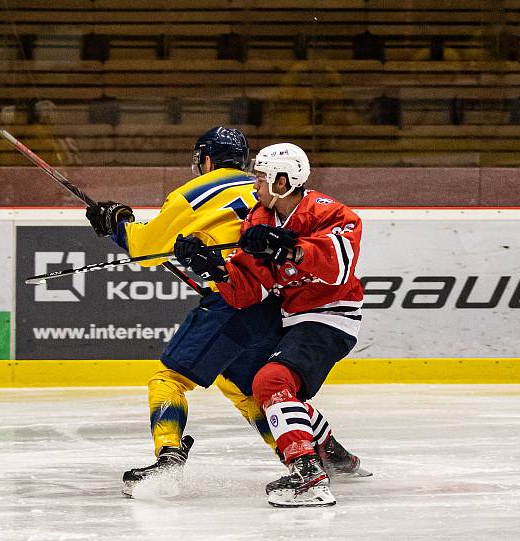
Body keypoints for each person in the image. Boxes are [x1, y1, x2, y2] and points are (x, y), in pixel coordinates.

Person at [86, 128, 362, 497]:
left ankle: (168, 457)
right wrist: (211, 267)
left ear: (207, 160)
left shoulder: (198, 192)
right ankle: (321, 452)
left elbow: (145, 249)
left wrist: (116, 222)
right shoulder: (260, 205)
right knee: (250, 387)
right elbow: (250, 273)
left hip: (239, 305)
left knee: (169, 378)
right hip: (270, 305)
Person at [174, 142, 370, 507]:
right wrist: (211, 268)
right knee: (263, 386)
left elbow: (338, 266)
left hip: (331, 315)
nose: (255, 185)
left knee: (271, 382)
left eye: (261, 178)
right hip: (291, 317)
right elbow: (247, 292)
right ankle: (333, 454)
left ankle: (308, 476)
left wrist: (288, 248)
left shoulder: (329, 212)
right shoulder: (259, 220)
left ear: (283, 181)